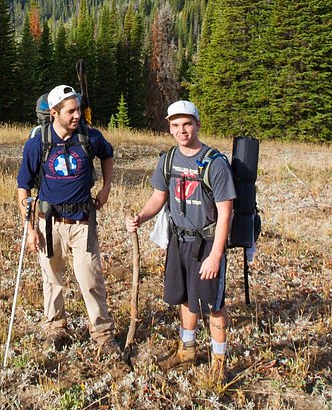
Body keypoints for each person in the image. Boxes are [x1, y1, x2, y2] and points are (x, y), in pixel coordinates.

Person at [125, 99, 235, 380]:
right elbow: (158, 197)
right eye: (176, 125)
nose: (182, 131)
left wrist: (215, 256)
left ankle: (219, 362)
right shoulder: (168, 160)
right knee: (185, 297)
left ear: (197, 125)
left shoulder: (215, 164)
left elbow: (225, 214)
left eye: (187, 124)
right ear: (169, 128)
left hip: (207, 243)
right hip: (178, 240)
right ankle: (187, 349)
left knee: (213, 304)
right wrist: (140, 217)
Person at [17, 84, 119, 355]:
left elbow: (108, 155)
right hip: (48, 223)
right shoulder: (37, 143)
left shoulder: (90, 137)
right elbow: (23, 187)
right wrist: (30, 228)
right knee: (52, 279)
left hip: (83, 222)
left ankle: (103, 334)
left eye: (78, 110)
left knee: (91, 279)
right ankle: (55, 328)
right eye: (71, 111)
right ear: (54, 113)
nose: (77, 115)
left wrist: (106, 187)